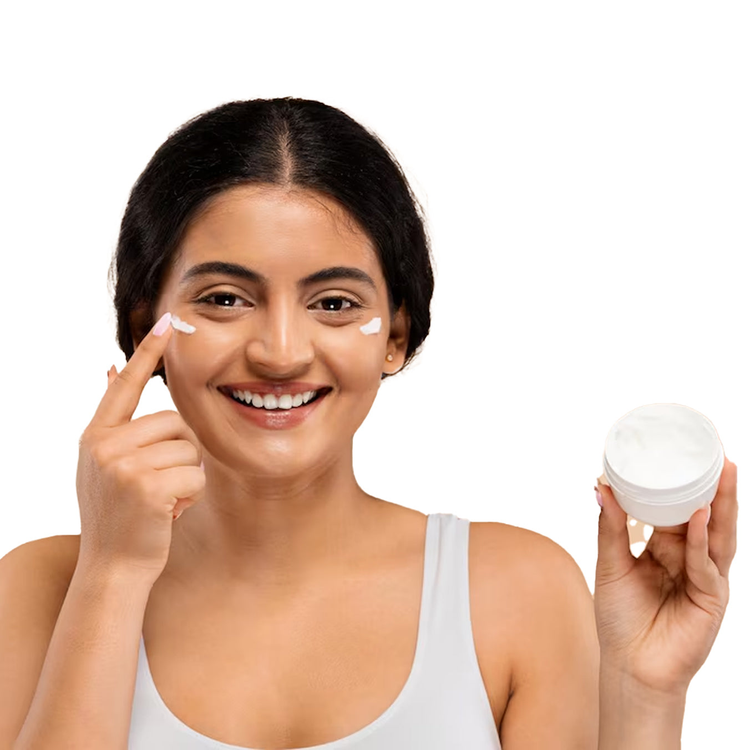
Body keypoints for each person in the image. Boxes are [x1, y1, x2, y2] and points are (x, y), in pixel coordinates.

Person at [1, 98, 737, 750]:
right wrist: (112, 573)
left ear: (396, 335)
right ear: (145, 326)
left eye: (334, 304)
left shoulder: (516, 591)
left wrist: (647, 693)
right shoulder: (42, 589)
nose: (280, 353)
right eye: (225, 298)